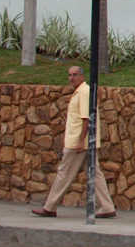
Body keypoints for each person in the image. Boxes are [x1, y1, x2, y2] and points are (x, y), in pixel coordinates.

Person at [32, 66, 116, 219]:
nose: (71, 78)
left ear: (82, 77)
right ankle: (107, 207)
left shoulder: (84, 92)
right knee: (95, 174)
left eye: (75, 75)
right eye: (69, 75)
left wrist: (80, 140)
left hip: (78, 144)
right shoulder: (81, 92)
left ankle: (49, 207)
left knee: (64, 174)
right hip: (82, 143)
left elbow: (86, 118)